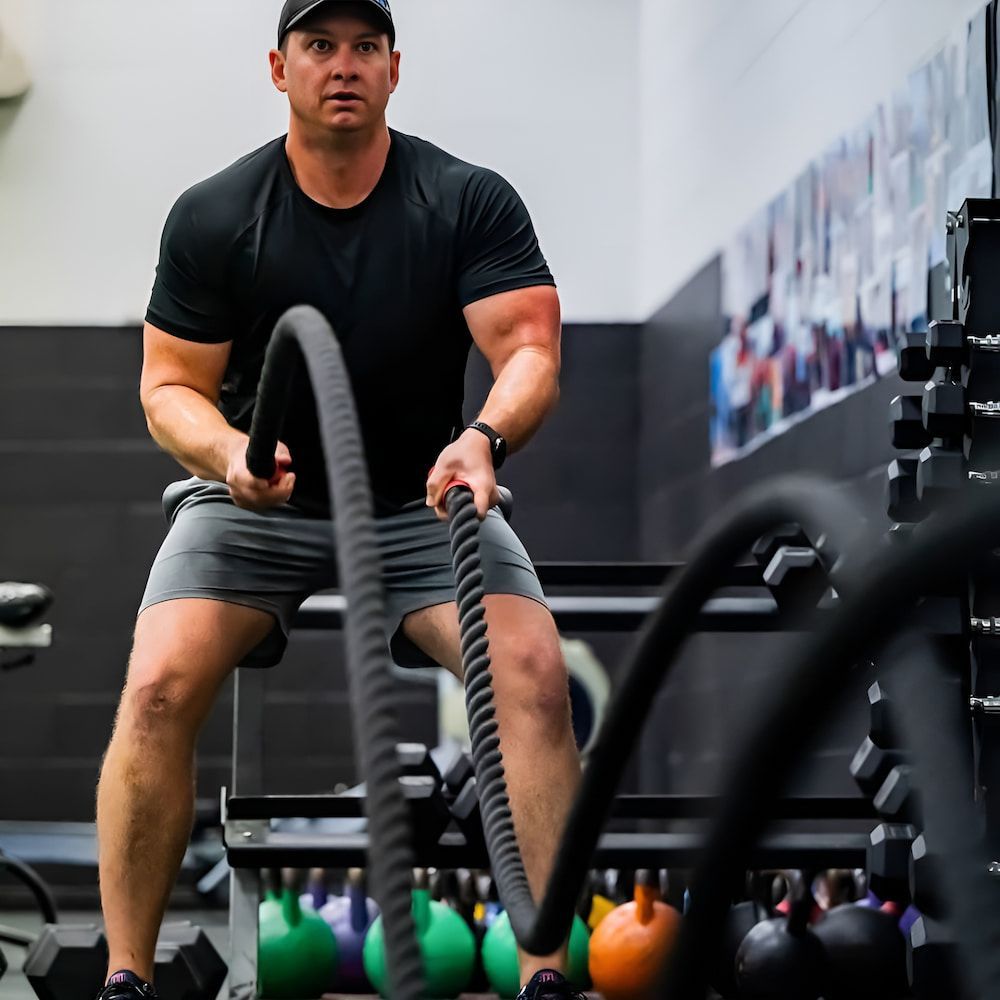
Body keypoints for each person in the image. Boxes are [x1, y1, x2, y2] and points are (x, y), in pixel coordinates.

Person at [94, 2, 584, 999]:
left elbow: (530, 351)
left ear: (394, 68)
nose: (343, 65)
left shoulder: (464, 200)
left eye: (364, 47)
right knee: (155, 689)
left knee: (535, 677)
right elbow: (167, 387)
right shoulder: (217, 214)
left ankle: (545, 976)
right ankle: (125, 977)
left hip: (420, 500)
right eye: (320, 45)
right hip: (252, 505)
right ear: (280, 68)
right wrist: (230, 454)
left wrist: (483, 439)